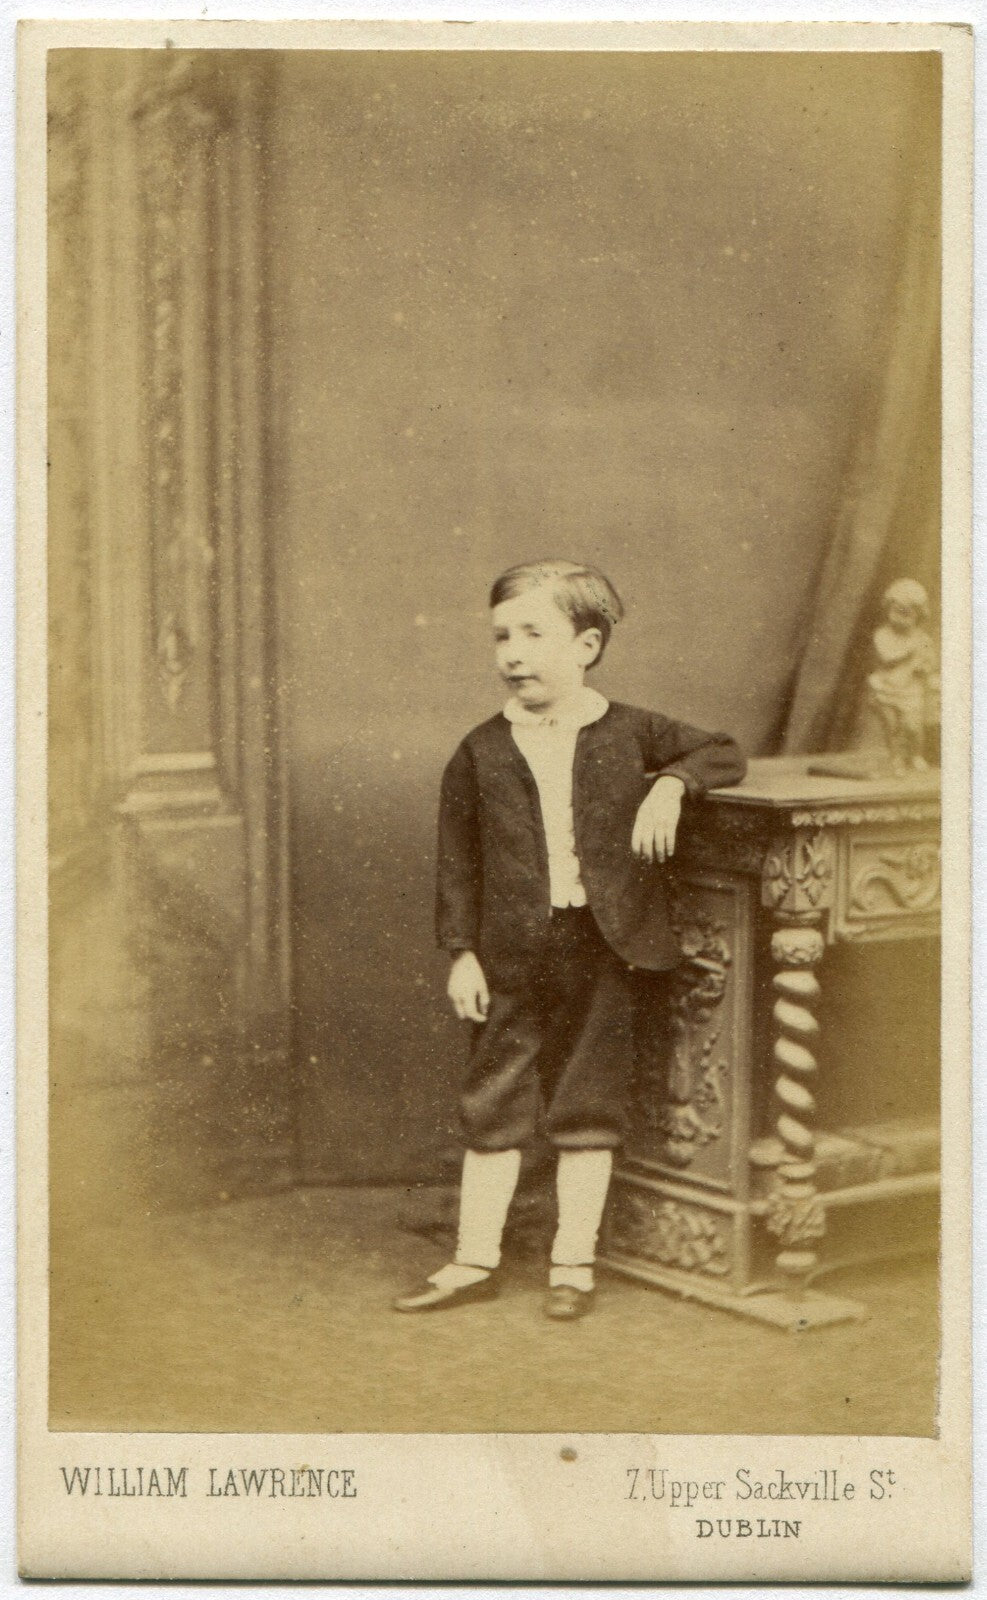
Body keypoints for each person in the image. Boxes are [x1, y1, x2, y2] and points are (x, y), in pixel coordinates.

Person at [393, 559, 746, 1320]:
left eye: (532, 634)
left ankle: (572, 1265)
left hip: (602, 947)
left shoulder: (633, 731)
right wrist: (461, 953)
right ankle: (472, 1260)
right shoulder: (480, 750)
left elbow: (723, 749)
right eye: (500, 636)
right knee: (493, 1103)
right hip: (511, 954)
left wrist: (670, 783)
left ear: (586, 646)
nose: (510, 653)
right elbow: (457, 861)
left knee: (587, 1105)